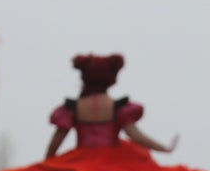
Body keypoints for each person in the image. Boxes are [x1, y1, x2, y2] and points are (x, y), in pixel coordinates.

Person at [44, 53, 177, 160]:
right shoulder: (118, 107)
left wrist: (47, 162)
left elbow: (57, 140)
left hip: (81, 160)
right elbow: (136, 136)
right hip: (114, 162)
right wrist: (163, 148)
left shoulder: (72, 108)